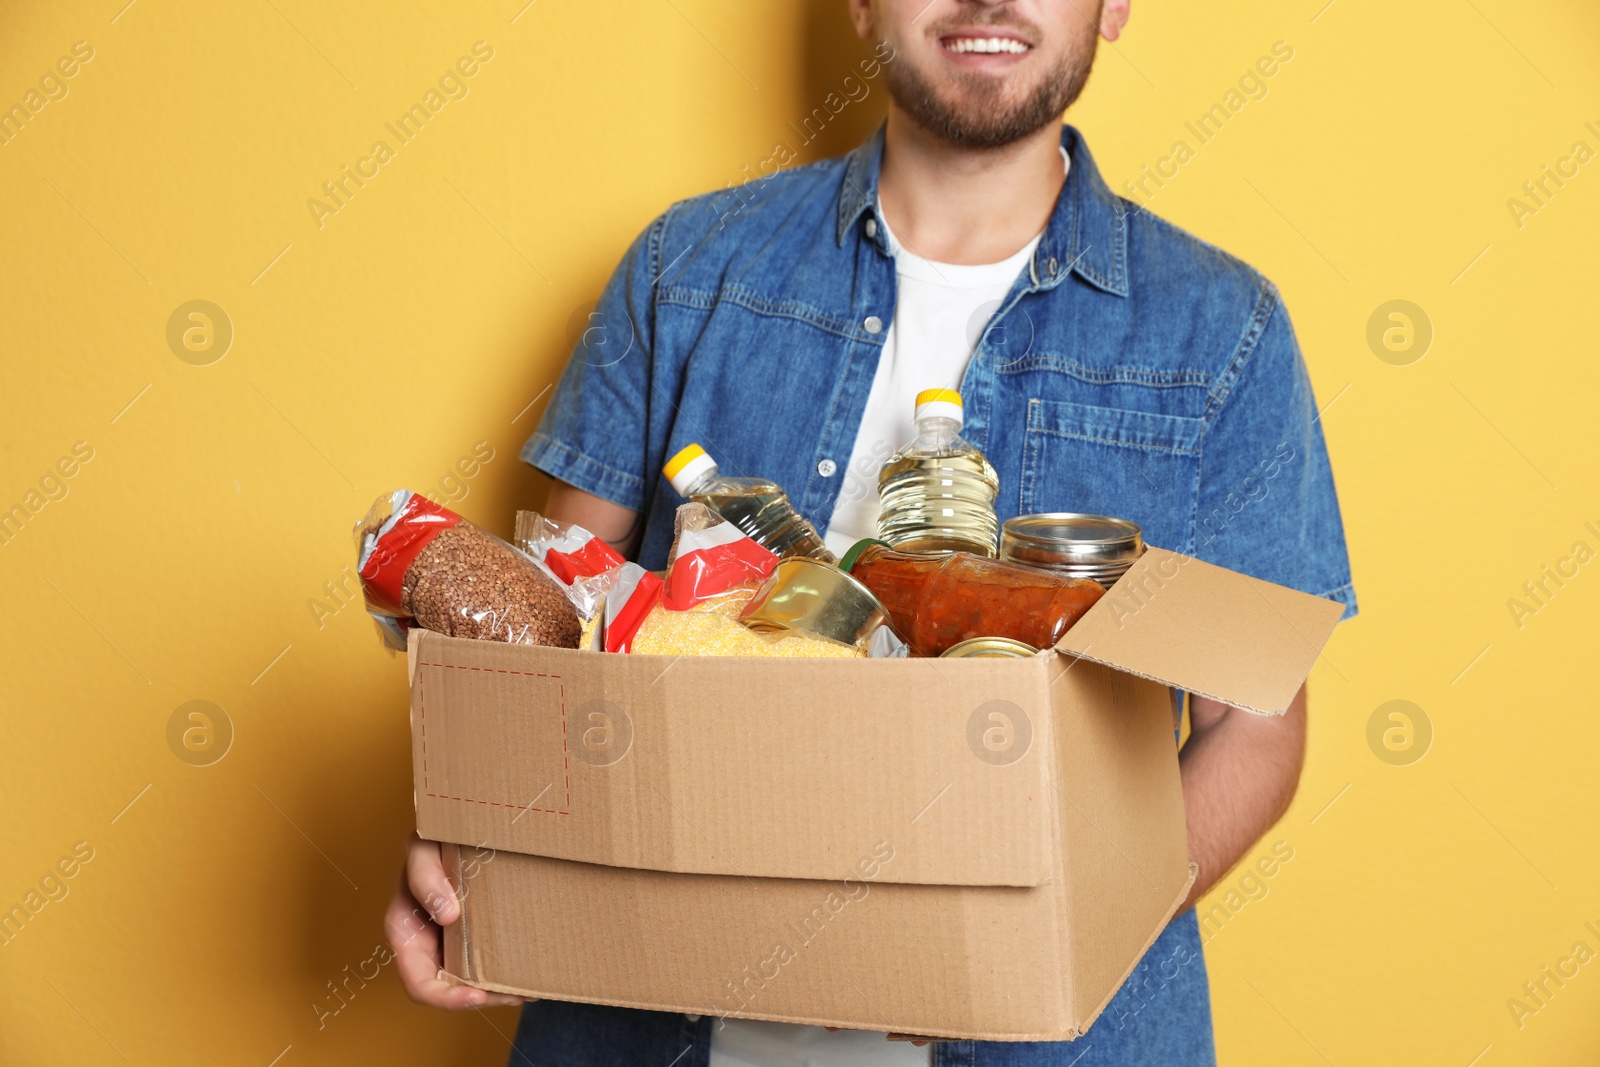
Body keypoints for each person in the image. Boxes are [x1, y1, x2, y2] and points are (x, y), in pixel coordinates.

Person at [385, 0, 1358, 1063]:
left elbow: (1254, 728)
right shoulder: (686, 267)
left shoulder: (1221, 330)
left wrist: (1045, 932)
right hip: (654, 1016)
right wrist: (476, 852)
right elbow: (544, 652)